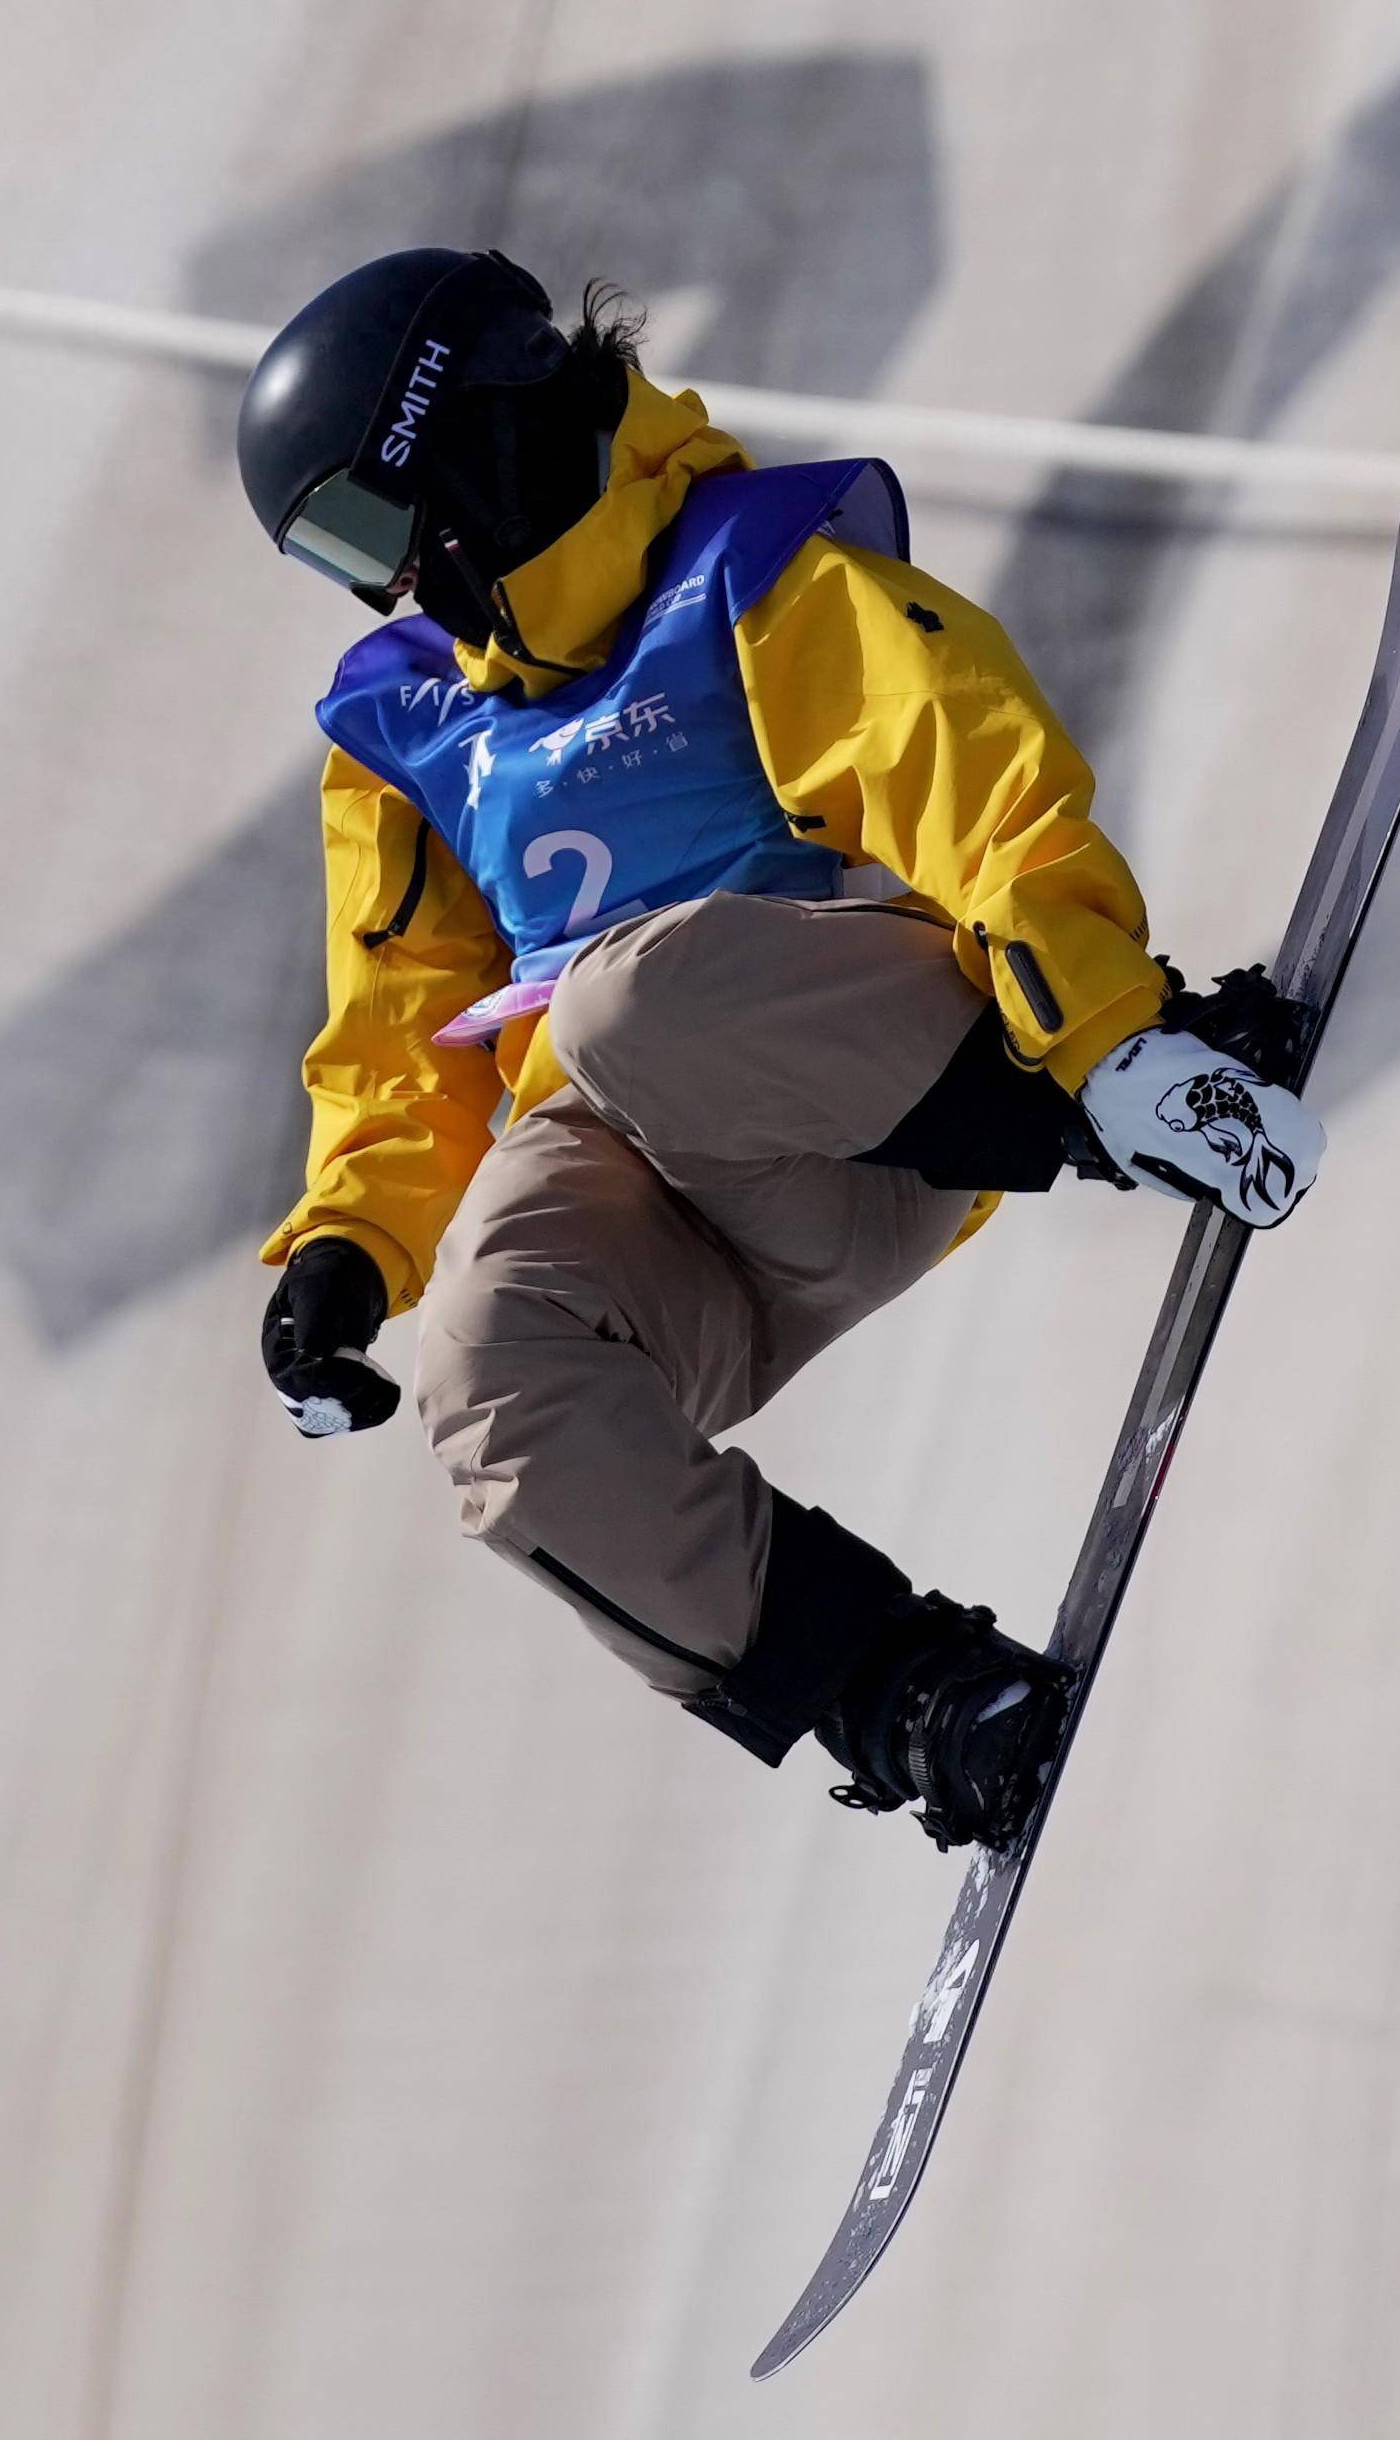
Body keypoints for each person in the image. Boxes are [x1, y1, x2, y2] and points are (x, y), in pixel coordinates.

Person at [237, 248, 1324, 1850]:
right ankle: (905, 1689)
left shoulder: (744, 578)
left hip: (895, 1113)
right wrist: (351, 1241)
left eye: (372, 525)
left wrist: (1110, 1037)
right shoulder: (414, 730)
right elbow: (399, 1022)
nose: (385, 586)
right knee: (487, 1372)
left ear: (464, 441)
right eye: (336, 556)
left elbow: (964, 773)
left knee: (629, 1000)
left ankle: (1115, 1104)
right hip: (703, 1228)